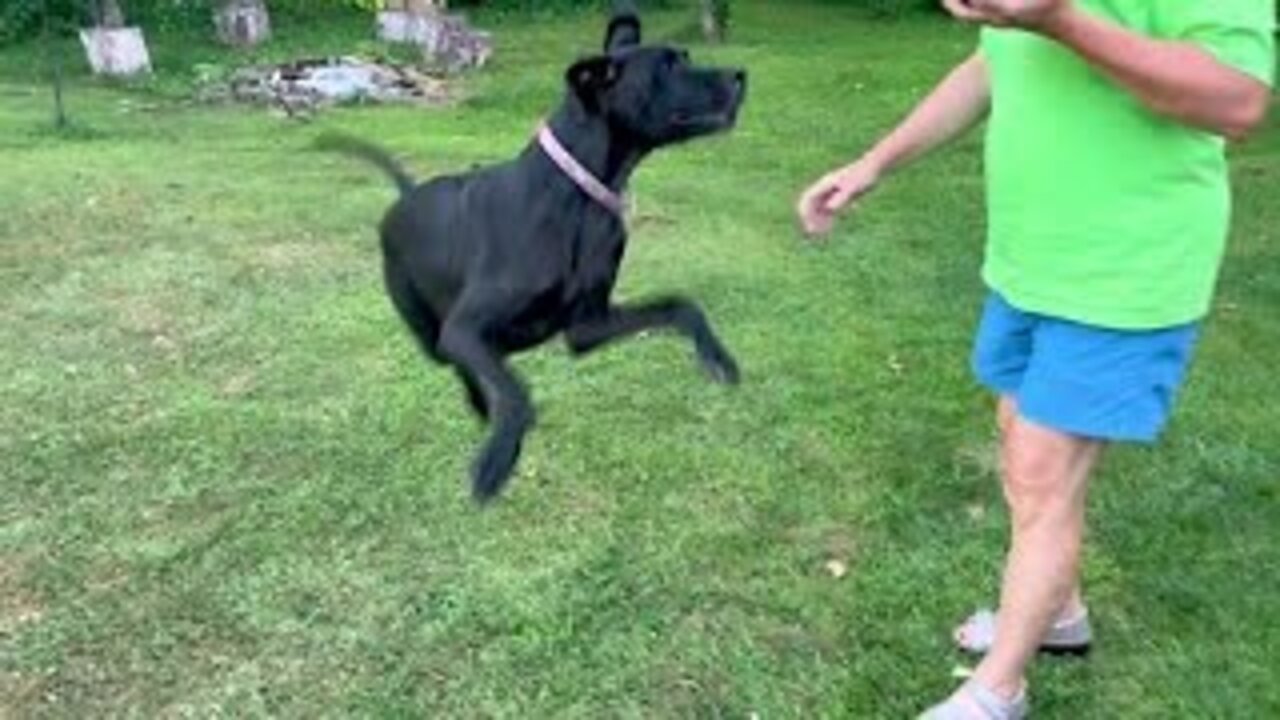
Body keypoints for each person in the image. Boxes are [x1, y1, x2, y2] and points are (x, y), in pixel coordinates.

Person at [796, 1, 1275, 717]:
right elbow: (991, 62)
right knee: (1020, 438)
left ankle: (999, 689)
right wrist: (874, 163)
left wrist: (1058, 18)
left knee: (1042, 470)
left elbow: (1235, 100)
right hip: (1031, 259)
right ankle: (1058, 613)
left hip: (1125, 271)